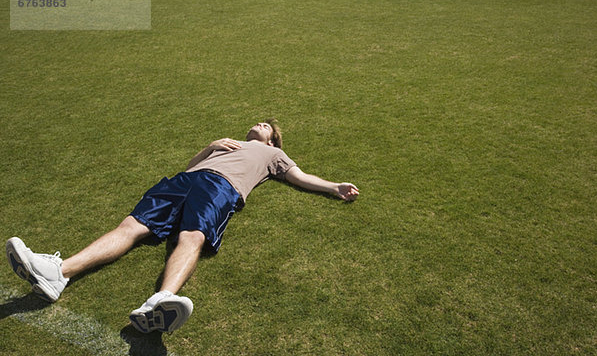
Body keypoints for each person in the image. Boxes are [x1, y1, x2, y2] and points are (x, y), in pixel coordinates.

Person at [5, 119, 359, 334]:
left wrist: (333, 186)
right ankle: (58, 273)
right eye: (260, 122)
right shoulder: (226, 143)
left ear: (272, 142)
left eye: (268, 127)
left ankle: (160, 301)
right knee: (132, 225)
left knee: (193, 235)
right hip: (183, 180)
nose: (262, 124)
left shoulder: (273, 156)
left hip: (221, 187)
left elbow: (299, 177)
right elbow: (188, 166)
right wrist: (209, 147)